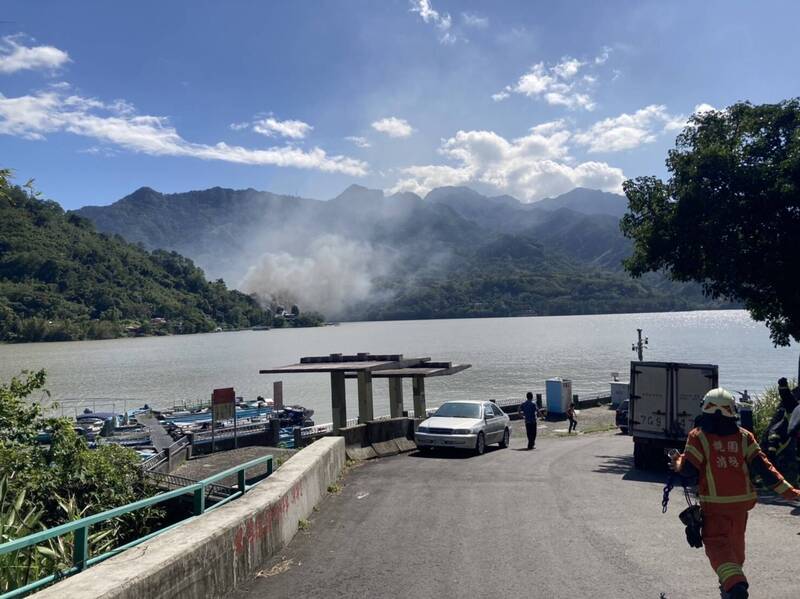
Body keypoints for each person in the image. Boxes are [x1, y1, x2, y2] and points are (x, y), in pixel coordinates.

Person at [669, 388, 800, 599]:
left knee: (717, 545)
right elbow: (765, 470)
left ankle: (736, 584)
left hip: (714, 506)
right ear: (733, 412)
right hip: (741, 506)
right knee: (735, 545)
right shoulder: (744, 437)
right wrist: (792, 493)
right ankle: (731, 580)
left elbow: (688, 470)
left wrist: (677, 462)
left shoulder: (698, 436)